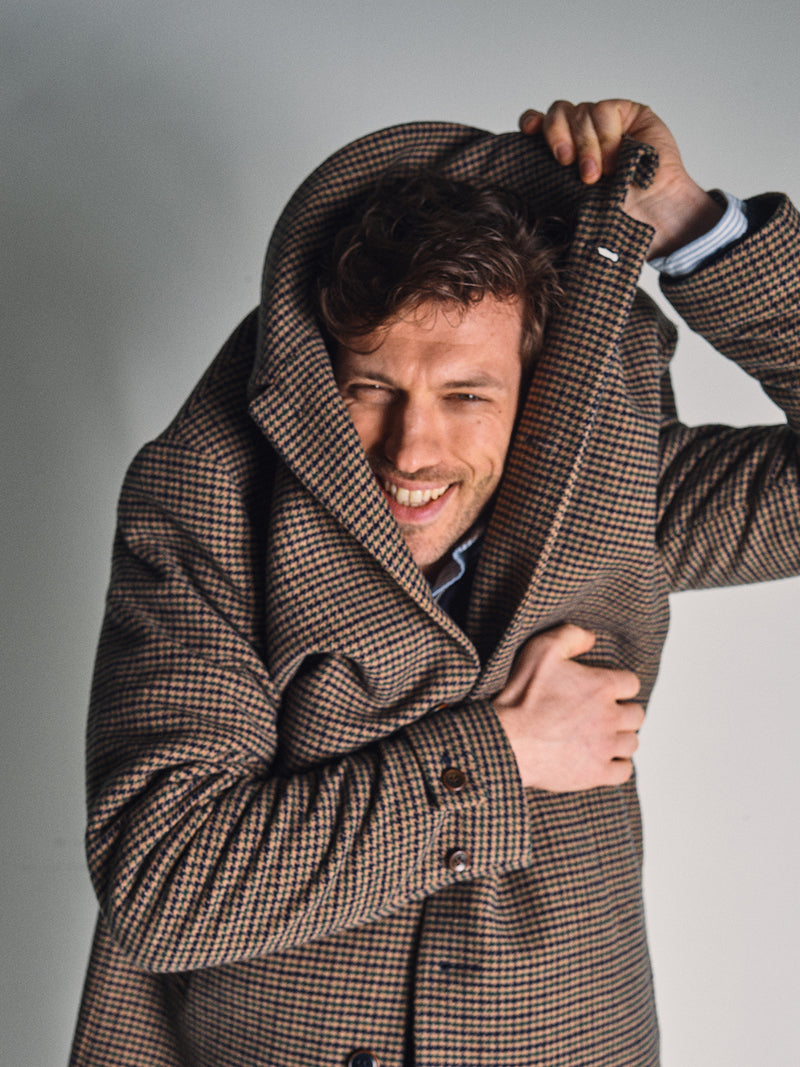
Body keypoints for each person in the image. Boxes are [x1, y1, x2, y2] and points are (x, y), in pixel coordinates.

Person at [70, 100, 800, 1066]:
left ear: (534, 386)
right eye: (371, 386)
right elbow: (165, 878)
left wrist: (688, 222)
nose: (412, 450)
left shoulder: (610, 482)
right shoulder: (206, 500)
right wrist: (501, 752)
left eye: (466, 395)